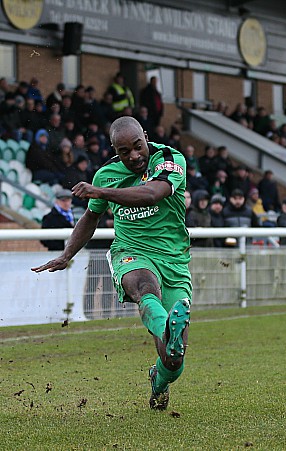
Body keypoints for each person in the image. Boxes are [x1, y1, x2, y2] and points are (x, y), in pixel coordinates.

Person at [32, 116, 191, 411]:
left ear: (145, 136)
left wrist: (101, 193)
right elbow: (91, 217)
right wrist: (67, 255)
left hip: (173, 259)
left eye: (137, 146)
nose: (134, 156)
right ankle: (167, 330)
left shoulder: (169, 158)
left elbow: (152, 193)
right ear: (114, 151)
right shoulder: (106, 174)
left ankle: (159, 378)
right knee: (144, 286)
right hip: (131, 251)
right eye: (124, 151)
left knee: (174, 359)